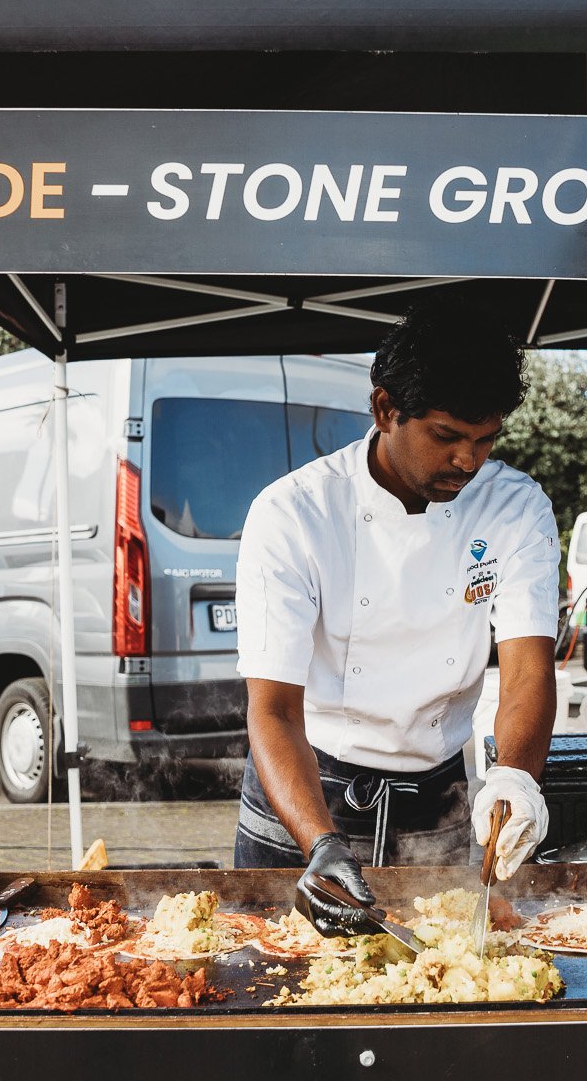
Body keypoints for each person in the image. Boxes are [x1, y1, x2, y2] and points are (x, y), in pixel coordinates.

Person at [232, 301, 561, 936]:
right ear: (386, 409)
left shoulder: (515, 507)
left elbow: (527, 669)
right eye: (447, 436)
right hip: (305, 784)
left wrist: (516, 776)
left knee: (439, 991)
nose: (469, 461)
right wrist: (320, 844)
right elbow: (272, 709)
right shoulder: (294, 513)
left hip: (437, 792)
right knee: (273, 982)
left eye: (485, 439)